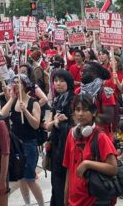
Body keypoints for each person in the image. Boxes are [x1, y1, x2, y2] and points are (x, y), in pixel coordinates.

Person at [62, 93, 118, 206]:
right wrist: (66, 196)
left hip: (93, 199)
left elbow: (113, 168)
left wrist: (87, 164)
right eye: (77, 110)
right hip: (74, 199)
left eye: (85, 110)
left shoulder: (100, 137)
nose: (80, 114)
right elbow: (69, 168)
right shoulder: (71, 135)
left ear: (93, 112)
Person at [1, 74, 43, 206]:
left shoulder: (33, 102)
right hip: (16, 145)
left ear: (25, 85)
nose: (14, 85)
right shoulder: (14, 100)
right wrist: (12, 98)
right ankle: (27, 203)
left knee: (29, 178)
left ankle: (41, 204)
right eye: (13, 82)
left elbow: (36, 124)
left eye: (18, 82)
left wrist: (25, 111)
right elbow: (2, 114)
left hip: (29, 145)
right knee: (21, 177)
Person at [44, 69, 74, 206]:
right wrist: (55, 122)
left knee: (67, 183)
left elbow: (78, 124)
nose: (58, 84)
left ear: (68, 82)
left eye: (62, 81)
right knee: (56, 183)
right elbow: (47, 126)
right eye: (55, 81)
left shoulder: (74, 100)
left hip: (70, 147)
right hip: (56, 147)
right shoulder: (56, 101)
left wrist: (66, 121)